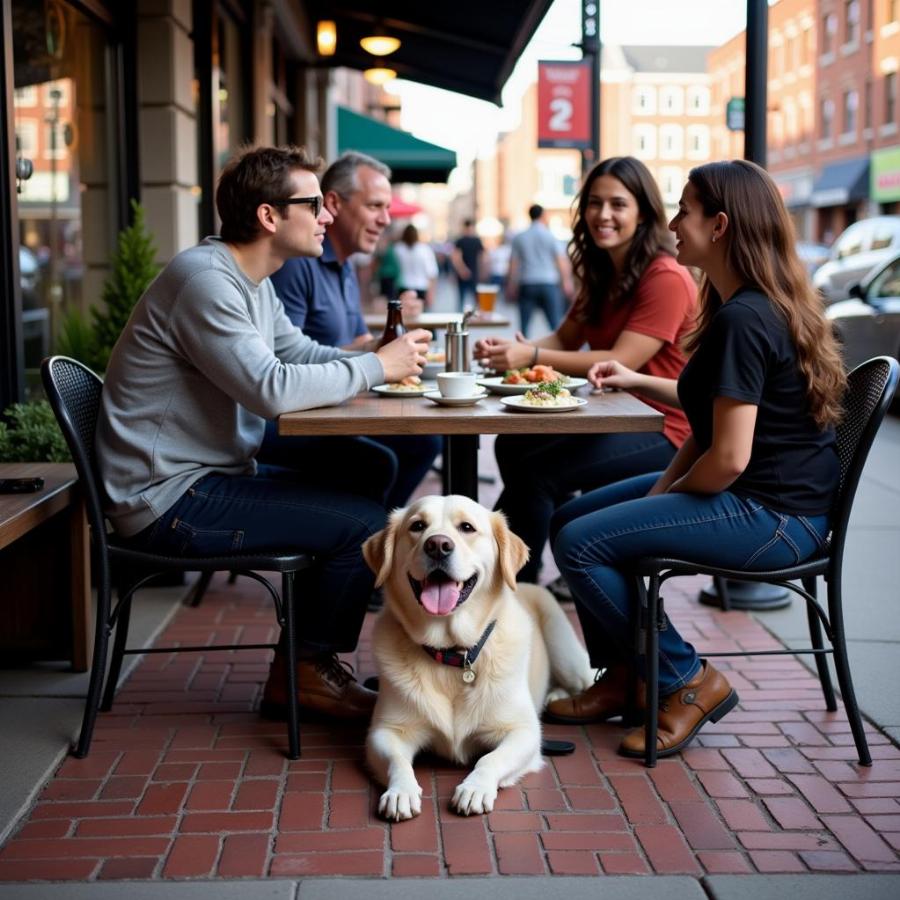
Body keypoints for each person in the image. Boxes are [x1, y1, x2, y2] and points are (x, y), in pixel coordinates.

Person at [95, 145, 431, 722]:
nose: (327, 215)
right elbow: (271, 390)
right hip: (166, 498)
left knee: (370, 469)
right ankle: (305, 672)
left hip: (205, 475)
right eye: (313, 204)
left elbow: (295, 352)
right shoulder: (206, 281)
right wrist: (377, 368)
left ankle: (310, 648)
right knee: (364, 526)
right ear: (270, 217)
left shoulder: (252, 279)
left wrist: (380, 358)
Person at [545, 160, 846, 759]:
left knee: (584, 543)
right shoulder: (749, 305)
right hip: (766, 503)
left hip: (776, 519)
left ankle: (685, 679)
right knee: (565, 525)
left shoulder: (744, 319)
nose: (675, 222)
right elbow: (705, 419)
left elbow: (729, 457)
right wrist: (656, 483)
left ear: (722, 226)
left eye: (685, 210)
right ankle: (628, 676)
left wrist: (656, 504)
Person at [475, 157, 697, 585]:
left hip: (667, 428)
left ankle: (516, 584)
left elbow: (622, 359)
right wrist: (519, 351)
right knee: (512, 446)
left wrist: (532, 355)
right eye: (594, 203)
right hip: (613, 413)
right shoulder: (599, 271)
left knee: (538, 473)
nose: (603, 215)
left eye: (617, 204)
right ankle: (522, 568)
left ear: (643, 212)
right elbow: (564, 340)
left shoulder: (665, 276)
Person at [269, 151, 440, 510]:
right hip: (299, 419)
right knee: (407, 449)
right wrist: (377, 359)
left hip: (342, 403)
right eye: (375, 206)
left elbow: (358, 343)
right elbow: (282, 363)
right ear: (333, 203)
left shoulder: (345, 265)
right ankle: (362, 542)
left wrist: (388, 342)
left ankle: (365, 540)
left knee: (425, 438)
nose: (386, 219)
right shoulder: (298, 262)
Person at [507, 203, 574, 336]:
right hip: (548, 282)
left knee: (524, 326)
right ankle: (558, 354)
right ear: (543, 215)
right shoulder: (550, 236)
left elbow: (513, 263)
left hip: (527, 282)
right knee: (555, 324)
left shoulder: (520, 237)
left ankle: (522, 352)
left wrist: (511, 284)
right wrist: (566, 282)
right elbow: (561, 261)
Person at [394, 224, 439, 307]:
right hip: (421, 287)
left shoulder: (397, 249)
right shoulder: (425, 249)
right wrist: (431, 293)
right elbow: (432, 273)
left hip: (403, 287)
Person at [450, 218, 484, 310]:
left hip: (464, 274)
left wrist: (462, 270)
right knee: (475, 299)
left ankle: (462, 319)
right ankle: (476, 318)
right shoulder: (476, 240)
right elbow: (481, 258)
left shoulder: (460, 240)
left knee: (462, 299)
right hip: (472, 273)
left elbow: (456, 258)